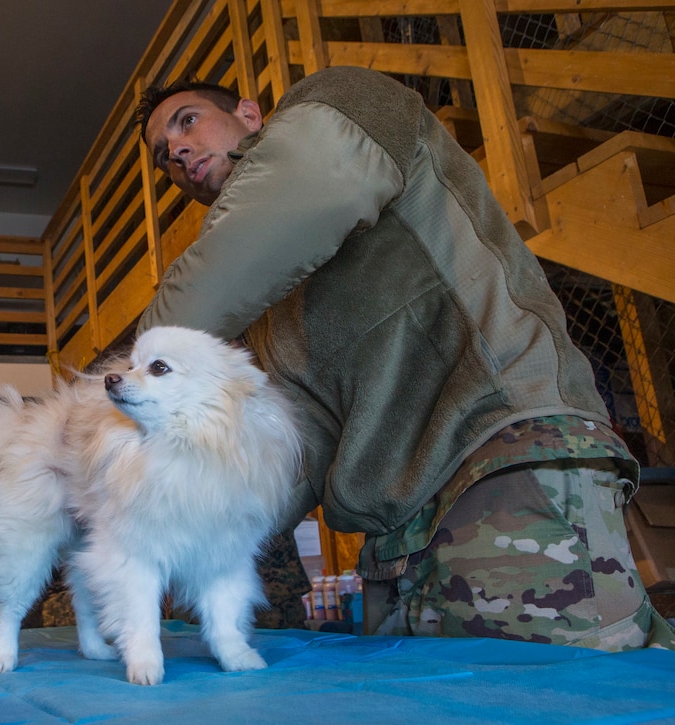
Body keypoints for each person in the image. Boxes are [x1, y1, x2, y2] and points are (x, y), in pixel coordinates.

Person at [136, 66, 675, 649]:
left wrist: (113, 392)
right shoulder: (268, 311)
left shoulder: (341, 104)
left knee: (558, 706)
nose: (178, 151)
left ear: (247, 112)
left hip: (496, 460)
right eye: (164, 155)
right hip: (392, 541)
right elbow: (294, 445)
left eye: (186, 122)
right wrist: (173, 529)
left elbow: (241, 252)